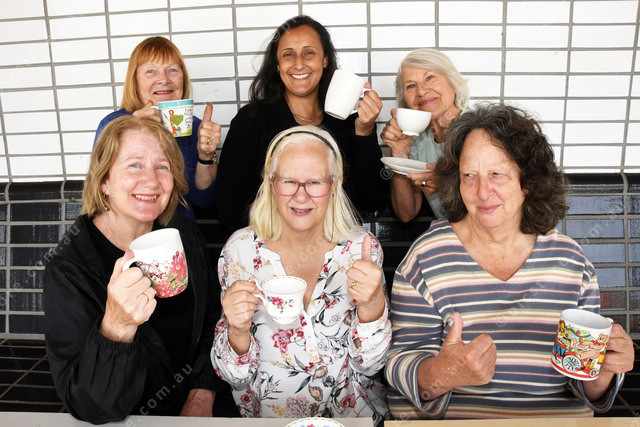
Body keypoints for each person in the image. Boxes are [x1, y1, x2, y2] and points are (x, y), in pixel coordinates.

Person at [385, 104, 635, 419]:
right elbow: (399, 370)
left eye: (497, 174)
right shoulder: (426, 257)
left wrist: (606, 369)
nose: (482, 191)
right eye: (469, 175)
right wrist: (444, 373)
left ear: (527, 181)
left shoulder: (571, 262)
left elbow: (585, 385)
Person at [44, 116, 235, 423]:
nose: (151, 180)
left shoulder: (183, 235)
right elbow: (88, 405)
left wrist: (202, 392)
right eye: (134, 165)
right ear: (104, 181)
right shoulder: (70, 269)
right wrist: (116, 326)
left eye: (162, 166)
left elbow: (215, 315)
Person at [211, 126, 391, 423]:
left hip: (350, 419)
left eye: (315, 182)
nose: (301, 195)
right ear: (271, 183)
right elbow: (233, 376)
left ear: (334, 184)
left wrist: (372, 305)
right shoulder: (240, 250)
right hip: (270, 421)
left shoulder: (361, 249)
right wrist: (237, 331)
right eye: (289, 181)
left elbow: (372, 365)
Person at [216, 15, 389, 231]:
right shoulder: (251, 120)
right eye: (288, 54)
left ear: (325, 60)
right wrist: (290, 235)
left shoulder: (350, 122)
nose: (299, 64)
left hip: (337, 243)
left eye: (309, 53)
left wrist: (364, 132)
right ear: (277, 64)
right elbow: (228, 206)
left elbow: (372, 201)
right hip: (271, 244)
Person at [94, 36, 219, 221]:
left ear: (183, 78)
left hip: (178, 229)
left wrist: (205, 155)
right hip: (128, 229)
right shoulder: (113, 124)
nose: (163, 80)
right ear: (135, 81)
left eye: (172, 70)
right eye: (151, 71)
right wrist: (132, 129)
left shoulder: (194, 127)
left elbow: (203, 200)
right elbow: (97, 193)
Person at [380, 48, 469, 222]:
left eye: (430, 78)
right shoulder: (415, 142)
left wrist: (448, 182)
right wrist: (400, 155)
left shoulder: (480, 129)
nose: (421, 91)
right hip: (450, 234)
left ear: (452, 82)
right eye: (411, 86)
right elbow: (407, 213)